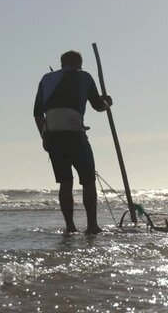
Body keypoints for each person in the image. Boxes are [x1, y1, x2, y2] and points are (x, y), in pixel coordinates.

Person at [33, 50, 112, 234]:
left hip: (53, 136)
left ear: (61, 64)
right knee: (88, 180)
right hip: (75, 134)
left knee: (65, 182)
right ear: (79, 64)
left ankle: (70, 226)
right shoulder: (84, 77)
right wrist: (107, 102)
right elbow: (98, 106)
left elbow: (37, 113)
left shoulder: (46, 79)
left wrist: (44, 137)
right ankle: (92, 225)